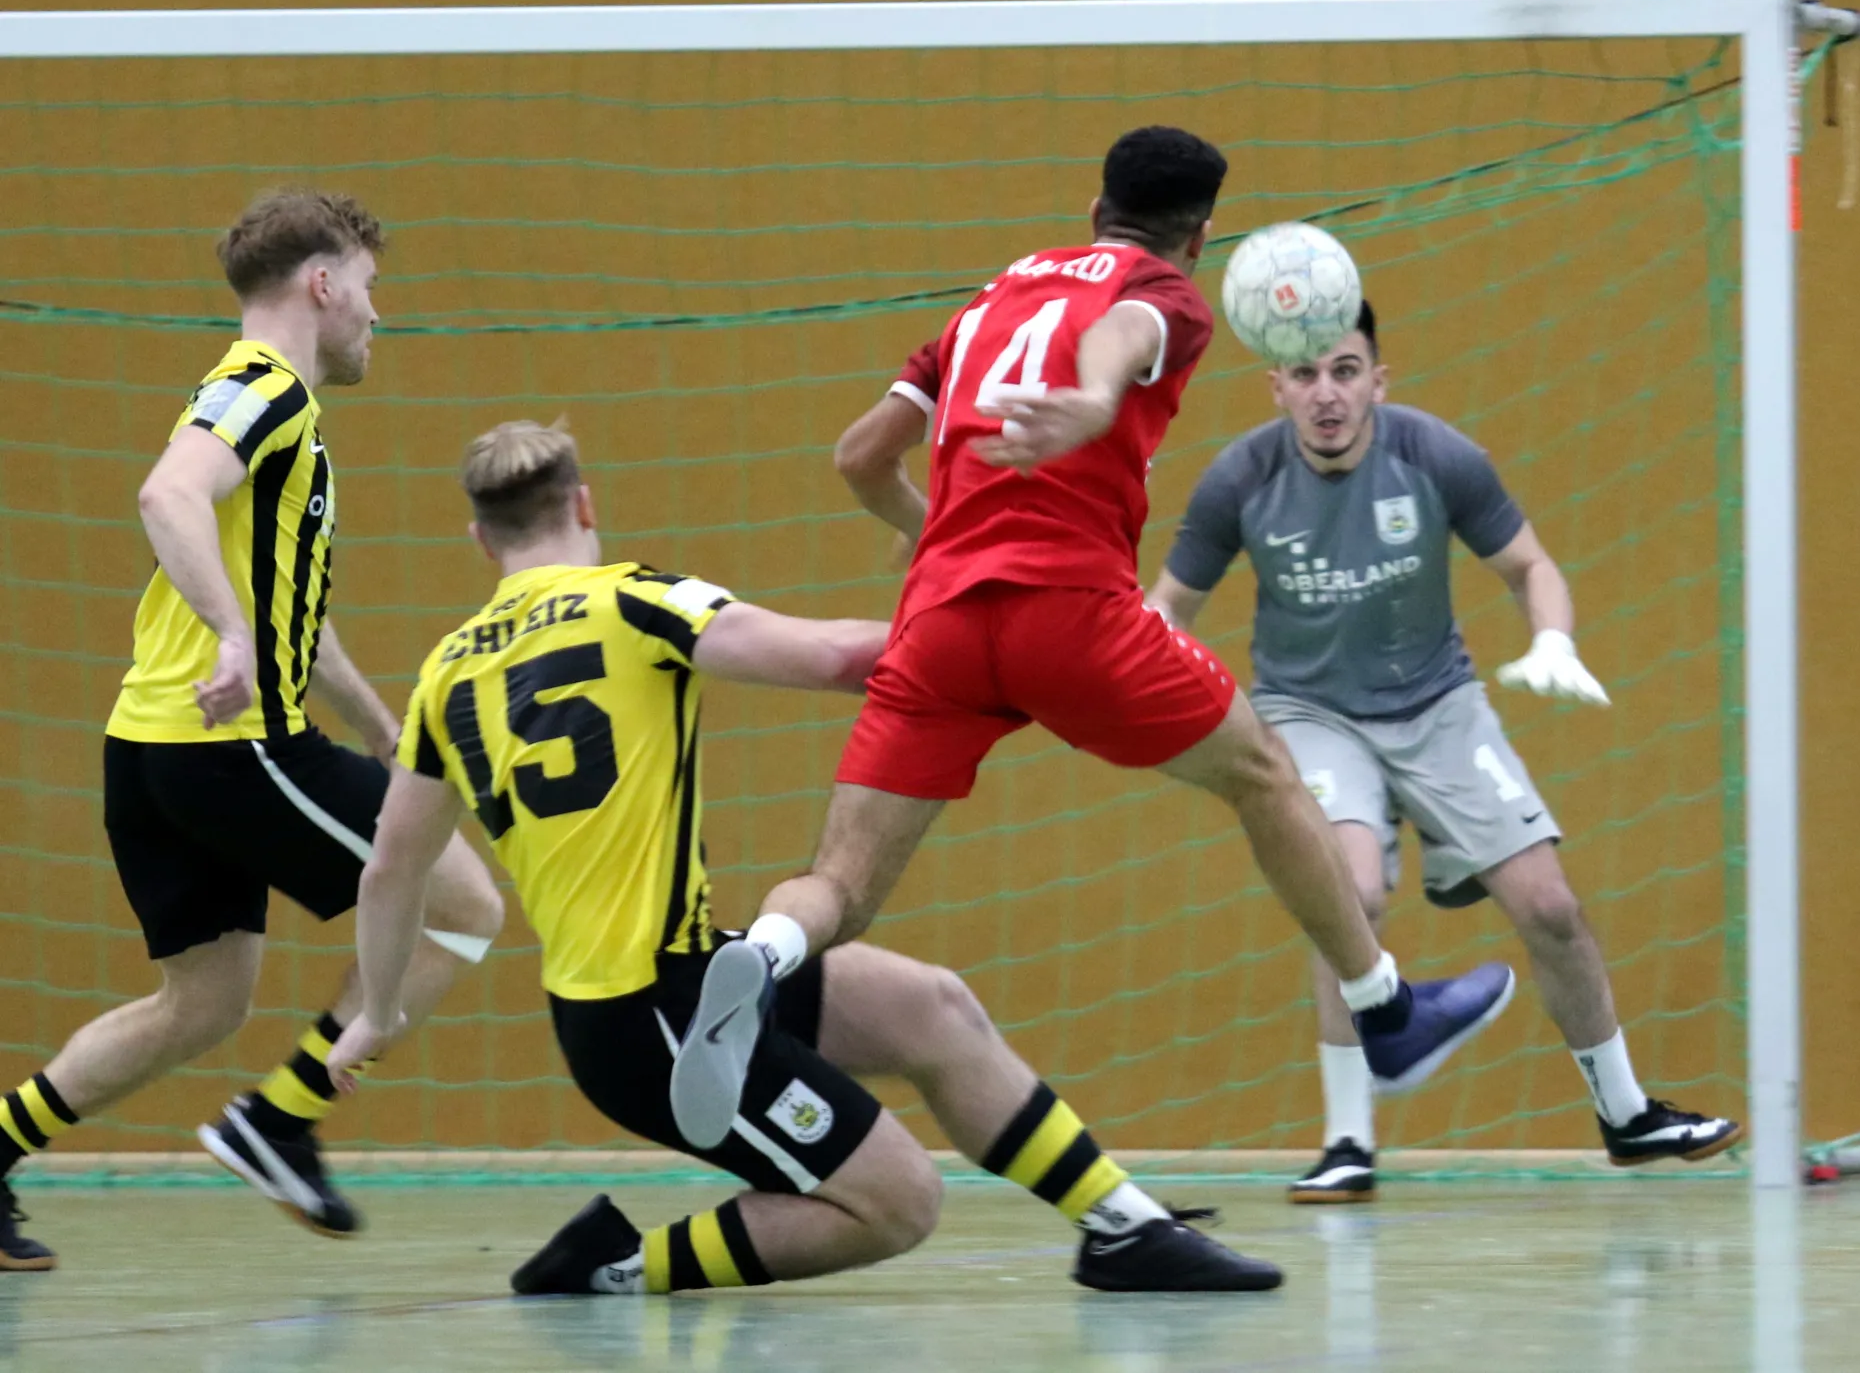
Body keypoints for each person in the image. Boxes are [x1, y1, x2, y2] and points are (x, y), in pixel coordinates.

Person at [667, 125, 1513, 1155]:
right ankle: (1384, 1012)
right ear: (1198, 237)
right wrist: (1096, 397)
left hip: (937, 625)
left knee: (839, 889)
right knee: (1262, 773)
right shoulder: (1167, 295)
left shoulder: (986, 303)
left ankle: (759, 958)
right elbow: (1124, 328)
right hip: (1070, 612)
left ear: (1093, 208)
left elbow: (857, 458)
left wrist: (933, 529)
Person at [324, 419, 1279, 1294]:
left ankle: (1123, 1228)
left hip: (668, 985)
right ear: (584, 504)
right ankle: (615, 1269)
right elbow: (830, 657)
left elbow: (392, 869)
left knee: (934, 1008)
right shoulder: (638, 602)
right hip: (651, 1018)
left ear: (480, 541)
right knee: (898, 1203)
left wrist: (377, 1012)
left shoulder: (446, 672)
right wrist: (999, 644)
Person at [0, 189, 504, 1271]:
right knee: (464, 904)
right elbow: (166, 494)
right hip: (232, 748)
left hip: (152, 747)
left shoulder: (269, 412)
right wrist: (234, 637)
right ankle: (281, 1119)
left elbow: (296, 628)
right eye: (368, 288)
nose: (377, 314)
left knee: (203, 1002)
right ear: (321, 285)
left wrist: (380, 730)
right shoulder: (263, 388)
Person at [1146, 300, 1744, 1203]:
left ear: (1378, 381)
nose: (1326, 394)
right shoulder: (1242, 477)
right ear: (1277, 388)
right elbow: (1166, 611)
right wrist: (1160, 697)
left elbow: (1530, 566)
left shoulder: (1435, 455)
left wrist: (1553, 639)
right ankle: (1348, 1140)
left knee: (1551, 906)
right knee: (1349, 895)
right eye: (1305, 375)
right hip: (1309, 713)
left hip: (1438, 705)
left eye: (1345, 371)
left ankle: (1627, 1115)